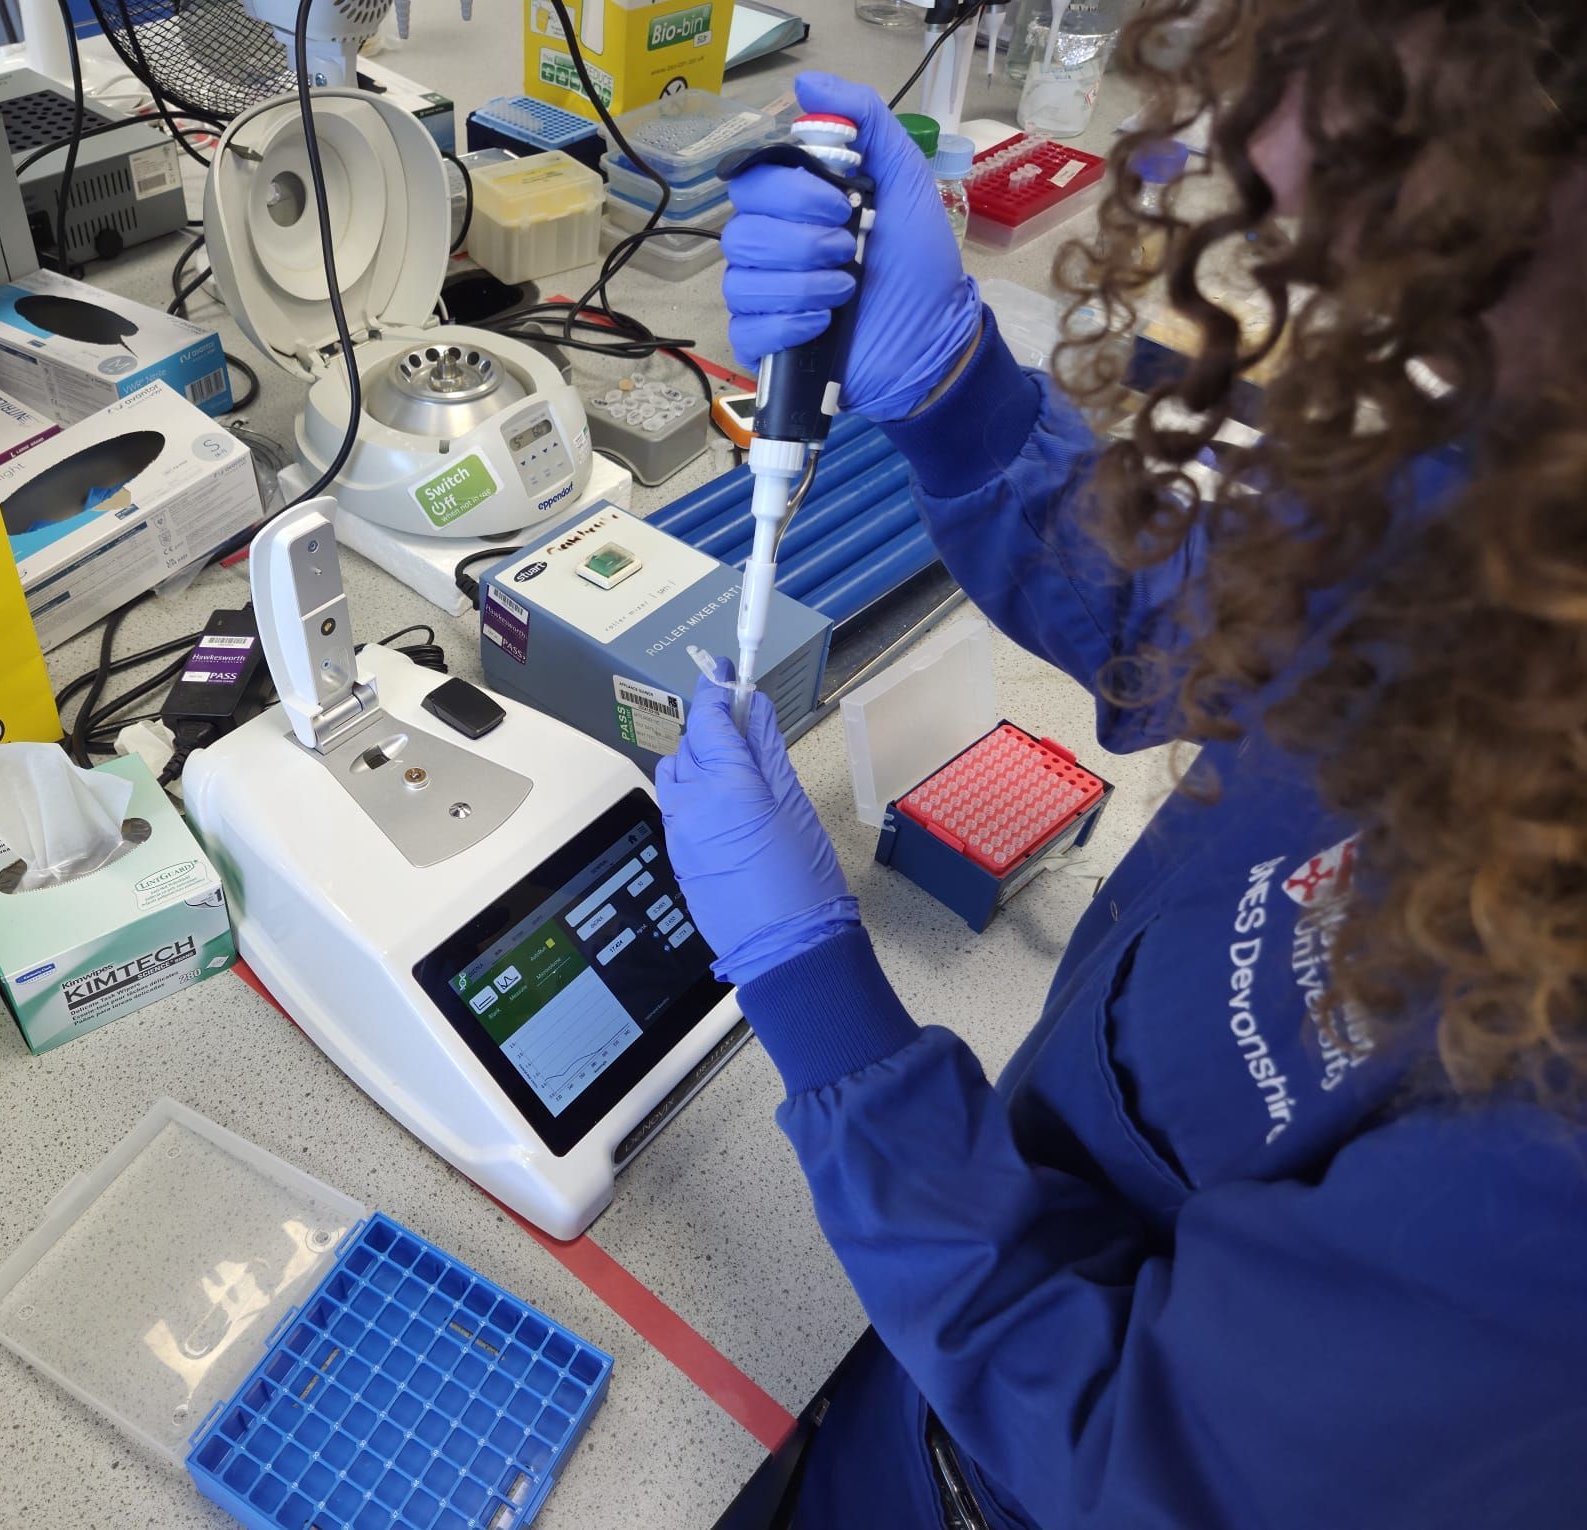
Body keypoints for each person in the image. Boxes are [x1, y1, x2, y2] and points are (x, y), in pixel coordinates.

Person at [657, 5, 1587, 1526]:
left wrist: (823, 1006)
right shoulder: (1519, 489)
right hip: (974, 1280)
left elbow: (1126, 1464)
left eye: (1360, 98)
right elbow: (1246, 626)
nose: (1256, 149)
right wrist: (949, 389)